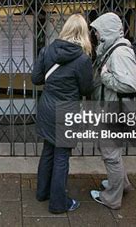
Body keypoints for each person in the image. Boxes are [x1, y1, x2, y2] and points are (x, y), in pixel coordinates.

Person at [32, 14, 94, 214]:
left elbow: (36, 78)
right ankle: (59, 204)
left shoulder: (47, 50)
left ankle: (42, 192)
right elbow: (86, 90)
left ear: (65, 29)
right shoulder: (83, 59)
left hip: (47, 107)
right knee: (61, 156)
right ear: (84, 33)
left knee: (48, 150)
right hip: (67, 111)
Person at [89, 12, 136, 209]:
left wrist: (105, 77)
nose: (95, 35)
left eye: (98, 31)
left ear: (107, 31)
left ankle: (112, 198)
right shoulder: (113, 49)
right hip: (112, 109)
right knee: (112, 151)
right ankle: (121, 184)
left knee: (110, 154)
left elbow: (130, 85)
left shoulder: (120, 52)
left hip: (115, 111)